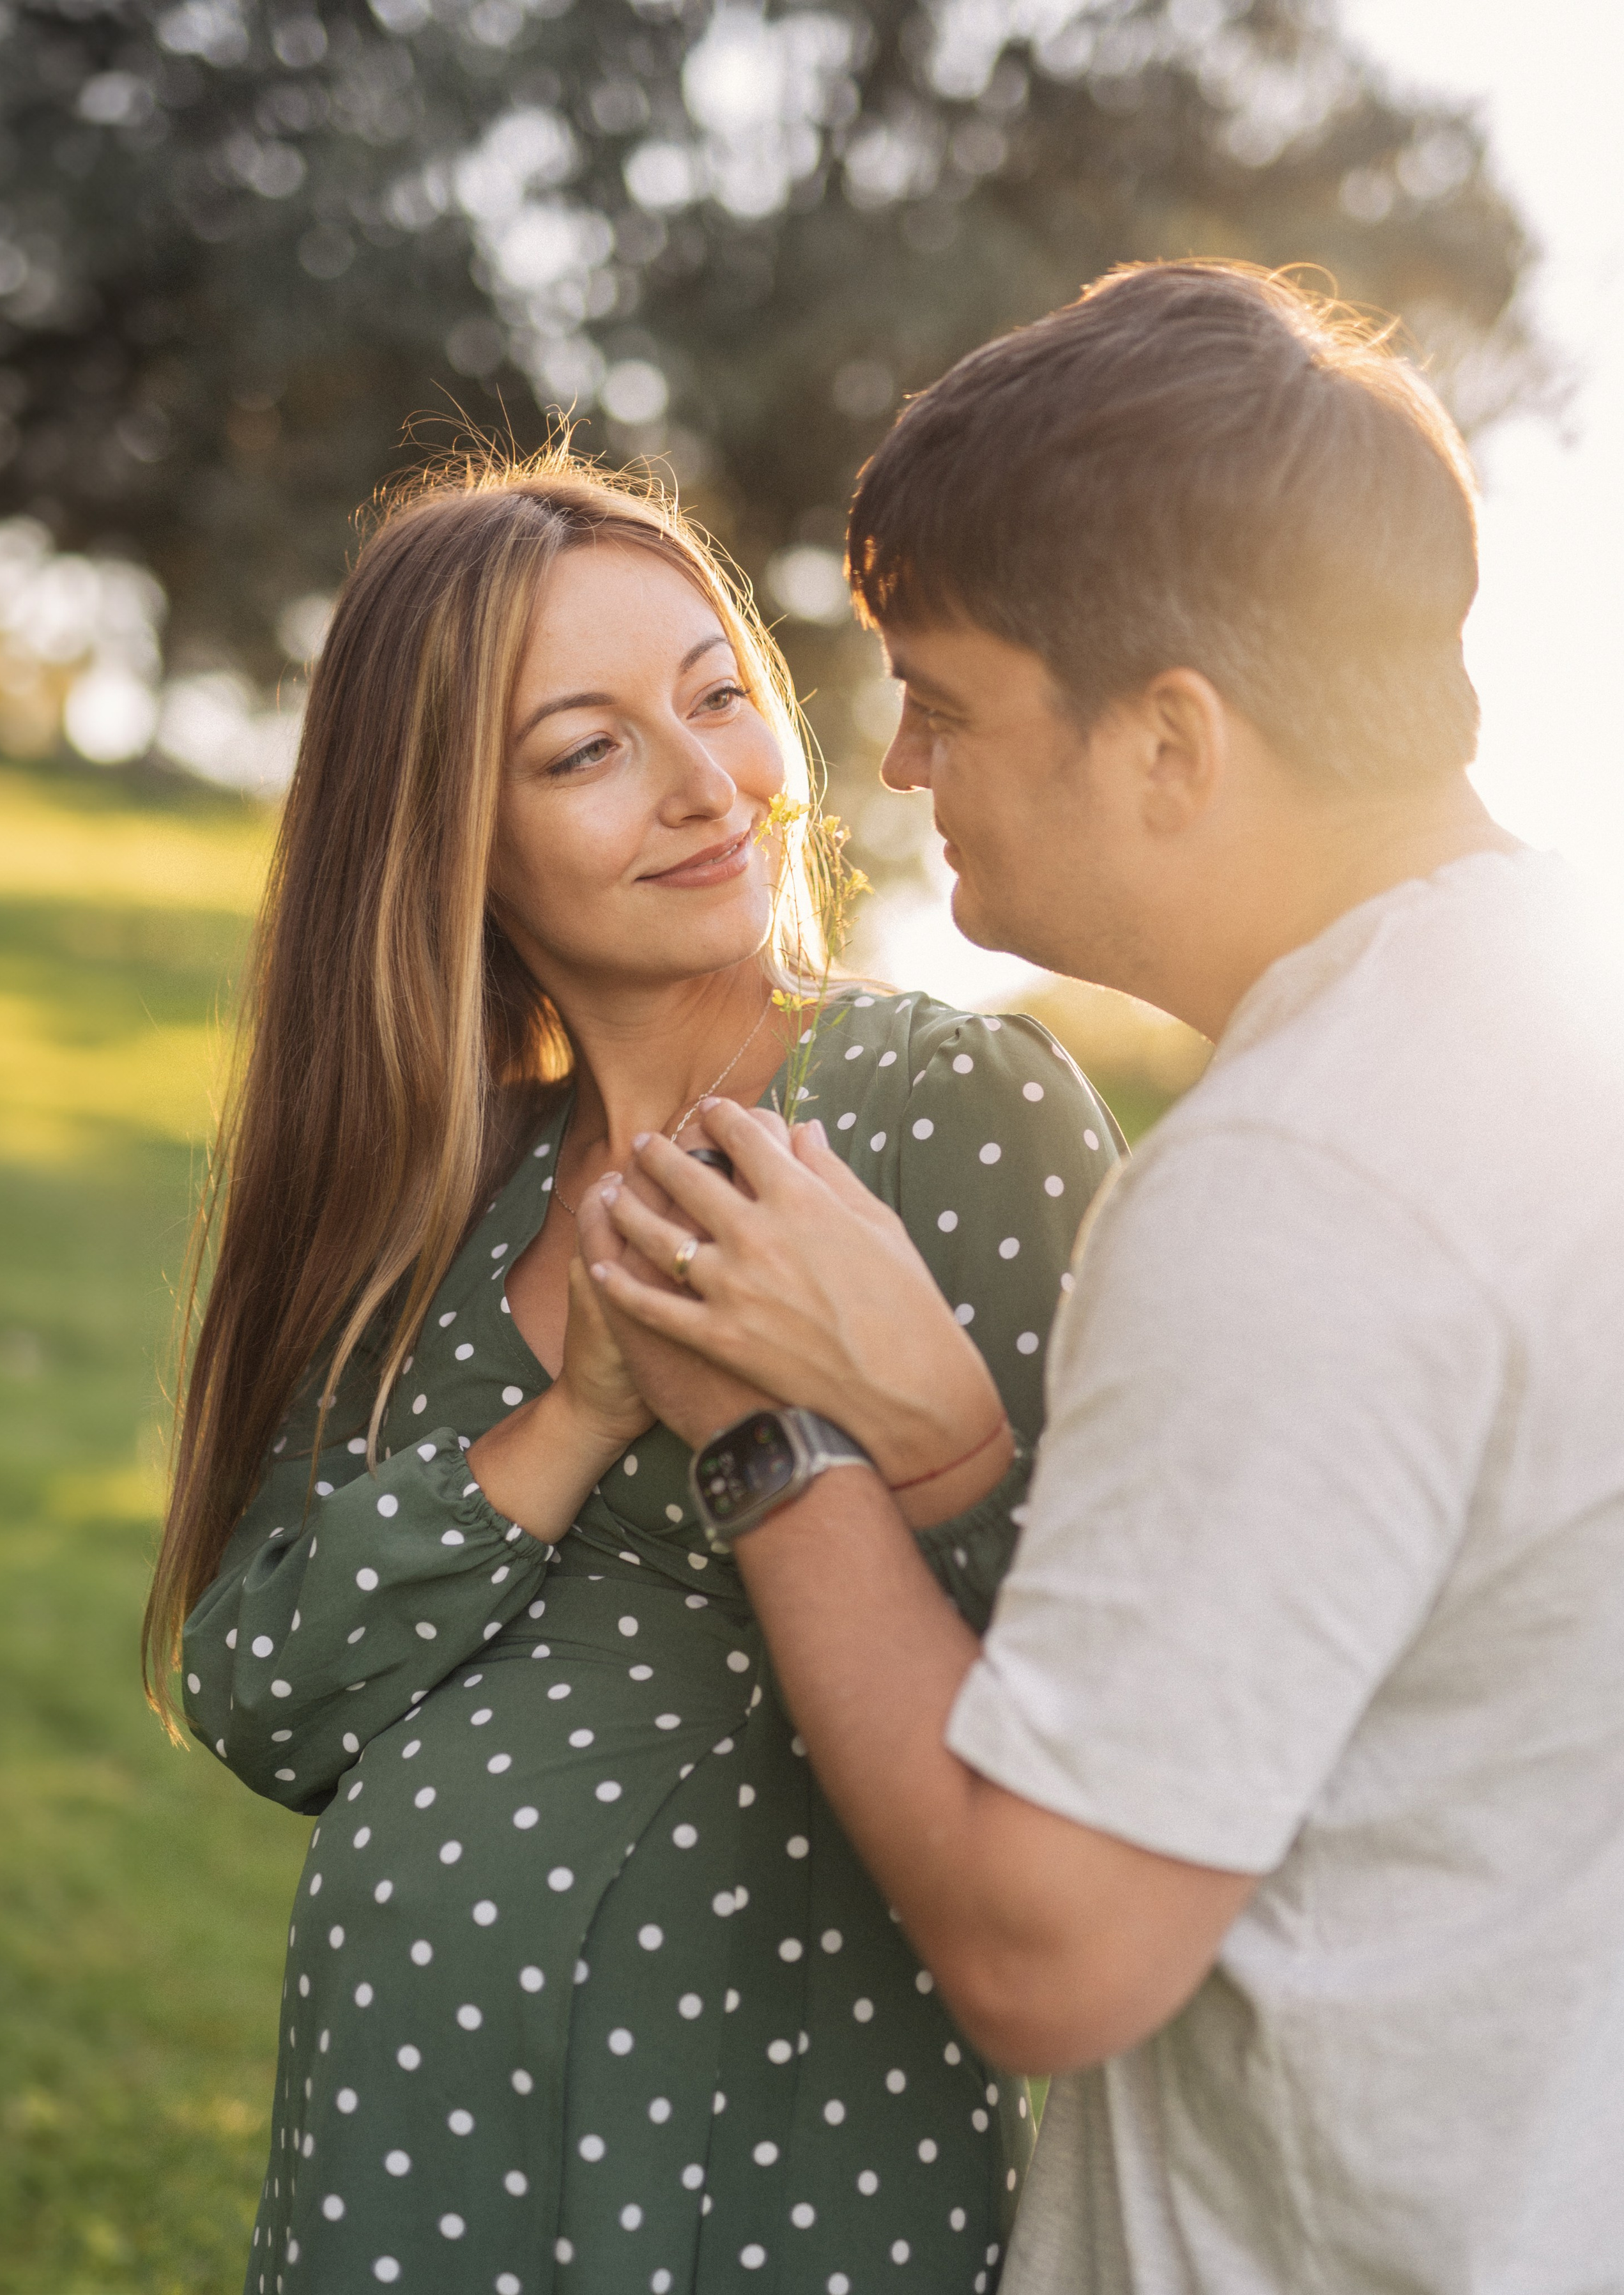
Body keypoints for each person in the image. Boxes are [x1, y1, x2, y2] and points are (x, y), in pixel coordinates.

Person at [583, 262, 1624, 2294]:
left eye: (950, 702)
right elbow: (1349, 1684)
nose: (895, 771)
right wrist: (956, 1459)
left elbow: (1049, 1948)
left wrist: (774, 1445)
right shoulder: (1545, 1037)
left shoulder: (1301, 1184)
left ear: (1170, 744)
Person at [145, 455, 1122, 2294]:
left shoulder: (939, 1113)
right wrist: (578, 1414)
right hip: (399, 2175)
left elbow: (1110, 1680)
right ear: (452, 839)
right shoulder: (448, 1197)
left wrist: (898, 1421)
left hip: (767, 2173)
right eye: (587, 750)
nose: (707, 787)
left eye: (717, 693)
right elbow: (263, 1689)